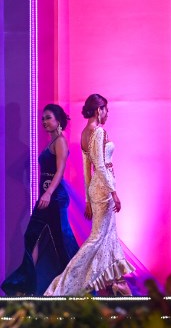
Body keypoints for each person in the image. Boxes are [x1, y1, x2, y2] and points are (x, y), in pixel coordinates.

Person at [44, 94, 134, 296]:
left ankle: (117, 281)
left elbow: (87, 168)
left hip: (96, 188)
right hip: (104, 188)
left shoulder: (84, 132)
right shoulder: (98, 132)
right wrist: (114, 192)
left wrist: (87, 199)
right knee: (97, 238)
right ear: (98, 110)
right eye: (106, 110)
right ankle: (62, 286)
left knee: (107, 236)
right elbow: (100, 167)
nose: (107, 114)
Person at [2, 104, 80, 295]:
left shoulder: (61, 141)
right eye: (43, 118)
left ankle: (76, 284)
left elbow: (60, 170)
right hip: (47, 198)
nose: (44, 122)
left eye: (48, 118)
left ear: (58, 120)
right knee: (32, 237)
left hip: (54, 198)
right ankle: (27, 284)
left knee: (62, 240)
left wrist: (48, 193)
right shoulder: (52, 142)